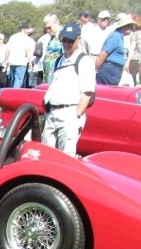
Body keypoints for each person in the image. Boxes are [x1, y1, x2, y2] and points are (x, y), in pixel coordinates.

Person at [43, 22, 96, 156]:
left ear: (78, 39)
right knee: (46, 155)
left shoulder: (84, 61)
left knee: (65, 157)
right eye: (64, 40)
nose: (66, 43)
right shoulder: (59, 60)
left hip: (69, 113)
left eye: (70, 40)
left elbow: (87, 93)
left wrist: (76, 115)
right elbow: (52, 86)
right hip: (53, 113)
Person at [97, 12, 136, 85]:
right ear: (125, 26)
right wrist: (96, 70)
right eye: (131, 26)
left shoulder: (119, 37)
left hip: (113, 71)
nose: (132, 28)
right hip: (109, 71)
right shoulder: (115, 37)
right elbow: (103, 55)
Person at [3, 22, 35, 88]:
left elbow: (7, 49)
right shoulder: (26, 38)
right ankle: (14, 95)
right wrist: (30, 62)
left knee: (13, 80)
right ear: (25, 29)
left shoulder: (13, 37)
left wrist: (6, 60)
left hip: (12, 62)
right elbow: (28, 50)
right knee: (19, 80)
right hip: (21, 62)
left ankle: (11, 93)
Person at [41, 15, 63, 84]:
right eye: (46, 29)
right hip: (48, 75)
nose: (47, 30)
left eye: (49, 28)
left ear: (57, 23)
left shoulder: (62, 36)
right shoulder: (53, 37)